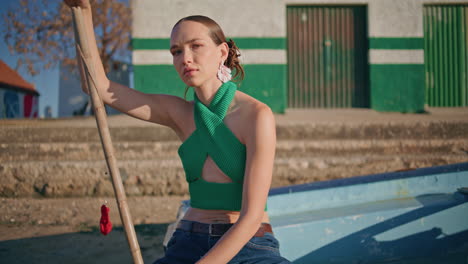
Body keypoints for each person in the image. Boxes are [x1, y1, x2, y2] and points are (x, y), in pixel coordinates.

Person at [65, 1, 291, 263]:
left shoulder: (256, 115)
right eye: (176, 51)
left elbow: (251, 218)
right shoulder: (178, 113)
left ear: (222, 52)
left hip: (251, 245)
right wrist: (82, 12)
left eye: (196, 46)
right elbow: (96, 86)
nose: (185, 58)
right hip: (188, 241)